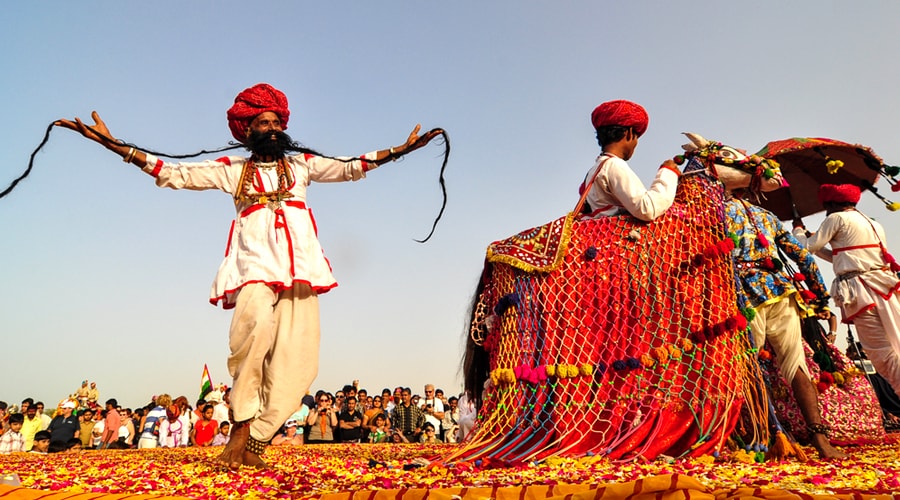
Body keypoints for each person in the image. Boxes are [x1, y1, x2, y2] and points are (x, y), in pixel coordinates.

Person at [57, 83, 439, 469]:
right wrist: (115, 146)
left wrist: (402, 150)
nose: (271, 127)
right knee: (251, 334)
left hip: (301, 272)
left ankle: (256, 440)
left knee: (300, 361)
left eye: (276, 121)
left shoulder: (303, 165)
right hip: (254, 268)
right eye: (262, 122)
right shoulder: (232, 171)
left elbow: (350, 166)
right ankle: (239, 430)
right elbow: (175, 173)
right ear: (248, 131)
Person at [725, 193, 845, 458]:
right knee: (796, 364)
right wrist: (821, 296)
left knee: (748, 366)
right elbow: (803, 257)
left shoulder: (713, 212)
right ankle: (820, 439)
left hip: (741, 293)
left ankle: (763, 436)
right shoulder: (766, 216)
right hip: (780, 289)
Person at [794, 184, 900, 398]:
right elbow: (842, 256)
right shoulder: (873, 223)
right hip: (882, 286)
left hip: (862, 290)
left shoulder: (836, 219)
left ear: (832, 204)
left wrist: (797, 230)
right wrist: (813, 237)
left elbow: (805, 248)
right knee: (894, 343)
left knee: (879, 350)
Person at [579, 100, 680, 221]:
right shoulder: (614, 165)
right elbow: (646, 209)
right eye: (637, 137)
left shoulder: (596, 169)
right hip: (615, 237)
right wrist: (667, 173)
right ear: (629, 133)